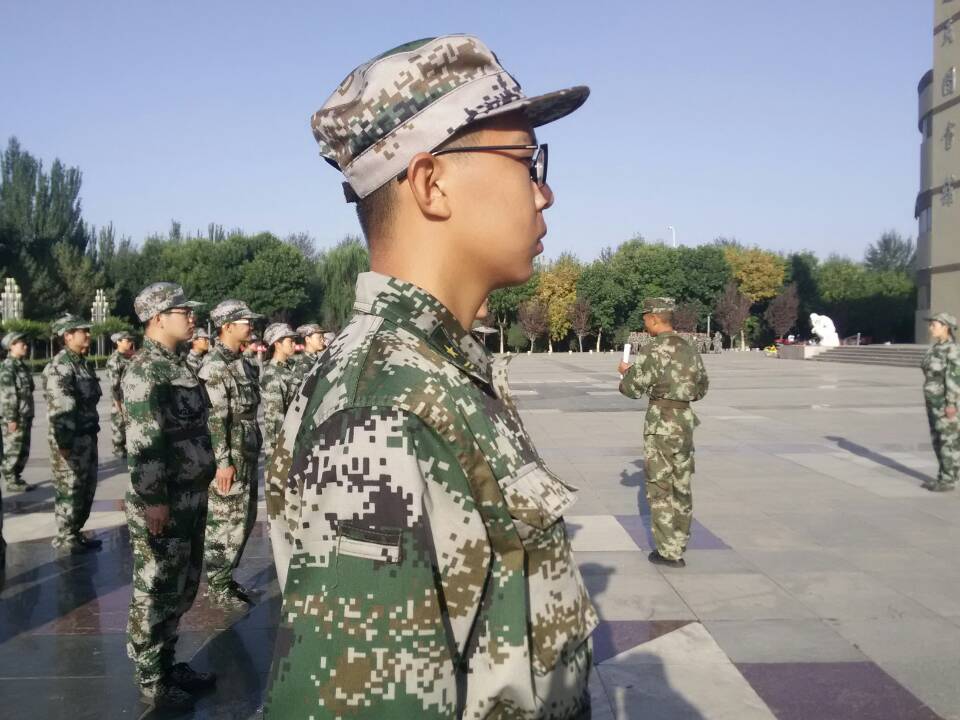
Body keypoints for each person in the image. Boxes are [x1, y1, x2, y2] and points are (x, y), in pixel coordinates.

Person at [265, 34, 596, 719]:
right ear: (430, 183)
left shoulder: (432, 370)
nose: (545, 193)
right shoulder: (385, 406)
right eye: (526, 161)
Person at [123, 283, 216, 711]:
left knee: (182, 586)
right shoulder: (145, 371)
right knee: (157, 586)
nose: (191, 317)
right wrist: (154, 499)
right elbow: (145, 442)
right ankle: (151, 678)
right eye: (183, 311)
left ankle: (166, 661)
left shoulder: (177, 366)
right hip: (165, 499)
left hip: (190, 495)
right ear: (159, 318)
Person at [618, 298, 709, 568]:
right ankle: (679, 542)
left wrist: (626, 373)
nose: (644, 322)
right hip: (684, 422)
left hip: (661, 425)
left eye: (645, 317)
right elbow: (702, 387)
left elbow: (633, 389)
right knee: (682, 484)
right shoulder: (689, 347)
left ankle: (669, 551)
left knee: (660, 487)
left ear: (655, 318)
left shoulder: (653, 348)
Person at [198, 299, 263, 608]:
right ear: (226, 327)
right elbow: (214, 419)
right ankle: (217, 585)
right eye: (244, 322)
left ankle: (226, 576)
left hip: (246, 449)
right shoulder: (214, 365)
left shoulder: (243, 362)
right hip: (230, 453)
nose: (250, 326)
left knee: (244, 518)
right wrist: (223, 462)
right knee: (226, 521)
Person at [43, 314, 103, 552]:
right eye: (82, 331)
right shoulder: (61, 366)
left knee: (86, 488)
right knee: (70, 488)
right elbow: (61, 408)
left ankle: (75, 532)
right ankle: (65, 537)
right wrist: (65, 442)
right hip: (70, 439)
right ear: (67, 336)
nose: (87, 334)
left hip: (87, 436)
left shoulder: (82, 363)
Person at [921, 311, 960, 492]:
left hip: (945, 402)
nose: (931, 328)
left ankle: (948, 479)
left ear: (946, 327)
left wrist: (951, 403)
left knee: (947, 440)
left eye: (934, 325)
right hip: (933, 401)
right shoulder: (935, 348)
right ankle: (944, 475)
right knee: (937, 440)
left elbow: (954, 378)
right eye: (930, 325)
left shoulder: (953, 350)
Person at [1, 332, 35, 493]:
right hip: (15, 417)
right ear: (11, 346)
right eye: (22, 344)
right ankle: (10, 480)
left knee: (23, 450)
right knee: (13, 449)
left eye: (25, 344)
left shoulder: (21, 366)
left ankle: (16, 476)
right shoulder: (8, 367)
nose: (25, 346)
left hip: (25, 414)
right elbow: (7, 395)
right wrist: (11, 419)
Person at [259, 323, 298, 462]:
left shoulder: (287, 368)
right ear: (277, 344)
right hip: (282, 448)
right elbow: (275, 420)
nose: (294, 344)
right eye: (290, 341)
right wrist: (279, 454)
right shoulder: (273, 374)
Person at [106, 331, 136, 458]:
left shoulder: (130, 356)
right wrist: (118, 405)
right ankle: (118, 450)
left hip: (131, 397)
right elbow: (115, 385)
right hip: (120, 398)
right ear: (118, 342)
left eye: (131, 340)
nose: (130, 343)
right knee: (119, 424)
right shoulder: (114, 360)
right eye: (127, 340)